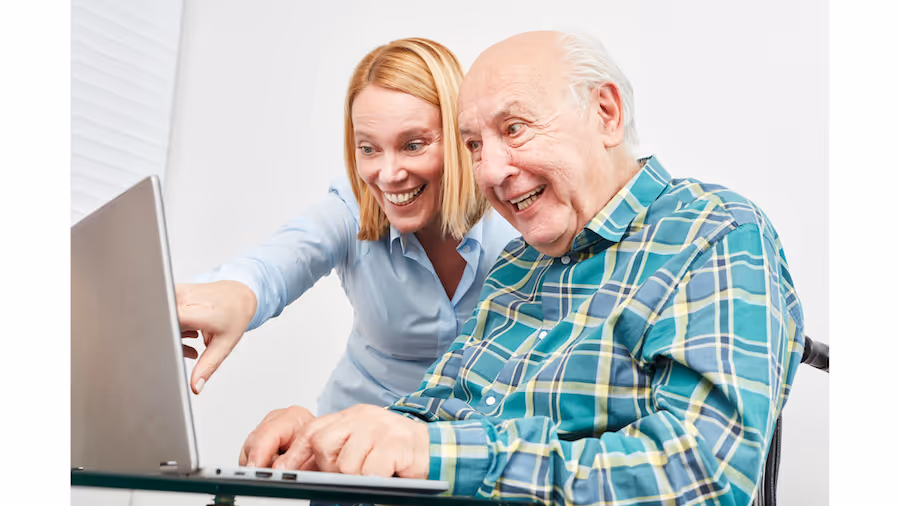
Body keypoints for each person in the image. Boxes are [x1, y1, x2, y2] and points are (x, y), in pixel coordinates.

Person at [240, 30, 806, 506]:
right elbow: (430, 415)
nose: (490, 171)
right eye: (473, 145)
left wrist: (438, 457)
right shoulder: (518, 263)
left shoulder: (714, 233)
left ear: (606, 114)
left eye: (513, 129)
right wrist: (326, 439)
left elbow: (704, 473)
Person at [176, 37, 519, 437]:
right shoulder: (350, 211)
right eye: (369, 149)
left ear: (461, 136)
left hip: (467, 456)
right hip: (353, 453)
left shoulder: (515, 212)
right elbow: (281, 261)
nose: (388, 174)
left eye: (413, 145)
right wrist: (238, 292)